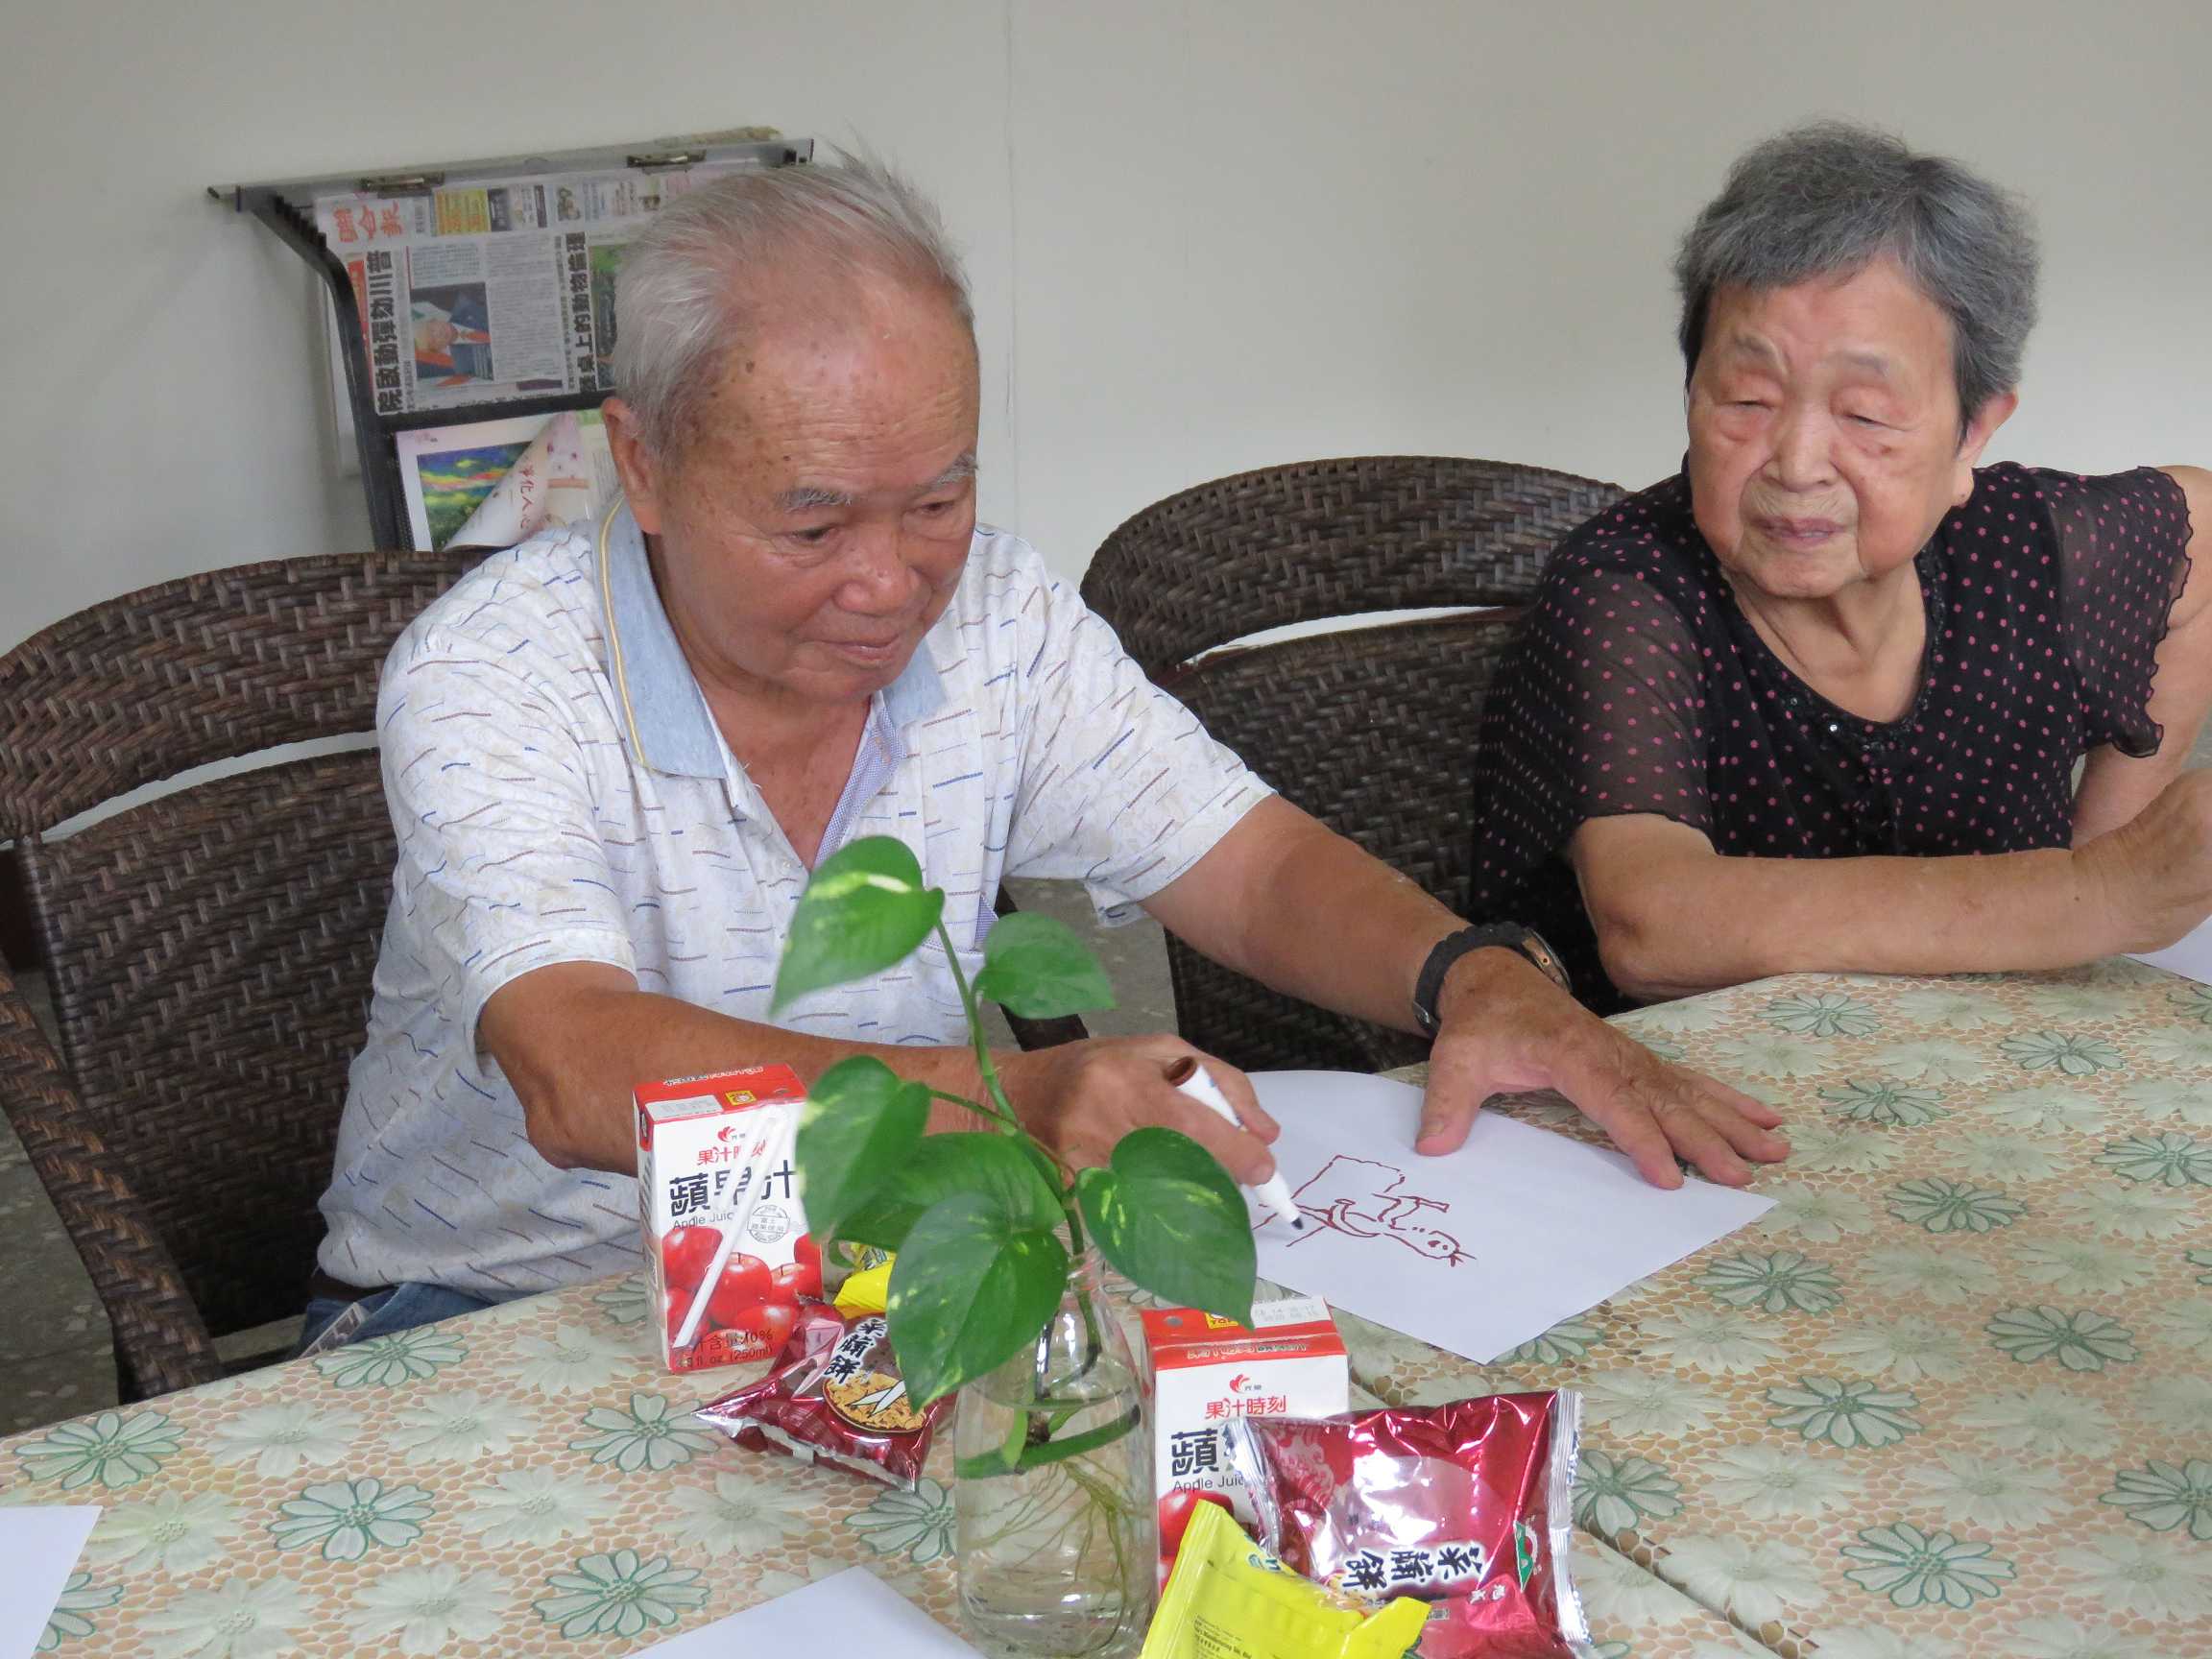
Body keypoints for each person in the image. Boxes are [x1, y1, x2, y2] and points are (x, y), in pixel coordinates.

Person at [307, 157, 1785, 1347]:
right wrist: (1015, 1100)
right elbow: (574, 1069)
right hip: (504, 1315)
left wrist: (1474, 976)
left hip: (895, 1277)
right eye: (813, 525)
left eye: (937, 501)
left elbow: (1248, 862)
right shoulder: (498, 674)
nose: (890, 583)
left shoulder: (1000, 613)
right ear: (641, 464)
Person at [1471, 122, 2212, 1013]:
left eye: (1865, 414)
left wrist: (2109, 867)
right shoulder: (1631, 583)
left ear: (1972, 431)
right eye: (1747, 399)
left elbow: (2200, 531)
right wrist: (2097, 891)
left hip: (1964, 1072)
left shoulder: (2022, 548)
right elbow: (1652, 923)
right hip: (1667, 1099)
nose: (1797, 461)